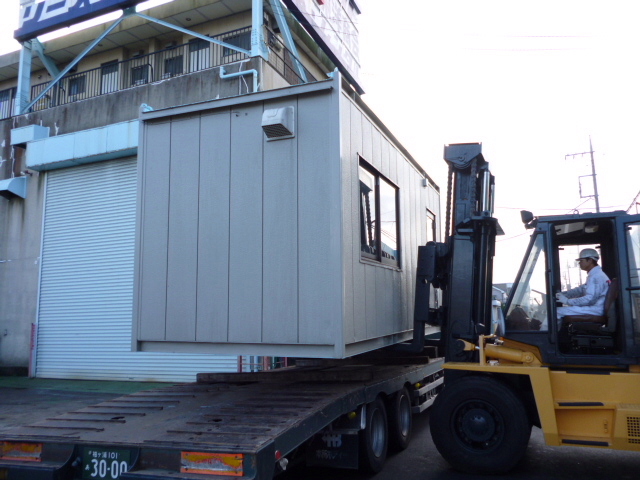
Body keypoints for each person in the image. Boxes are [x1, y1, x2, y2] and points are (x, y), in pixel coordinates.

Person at [556, 248, 610, 321]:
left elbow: (590, 299)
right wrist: (564, 294)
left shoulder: (596, 276)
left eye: (581, 260)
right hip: (595, 308)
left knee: (557, 312)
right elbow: (580, 290)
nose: (579, 263)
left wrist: (567, 301)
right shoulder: (594, 275)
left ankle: (546, 328)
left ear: (590, 260)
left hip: (595, 309)